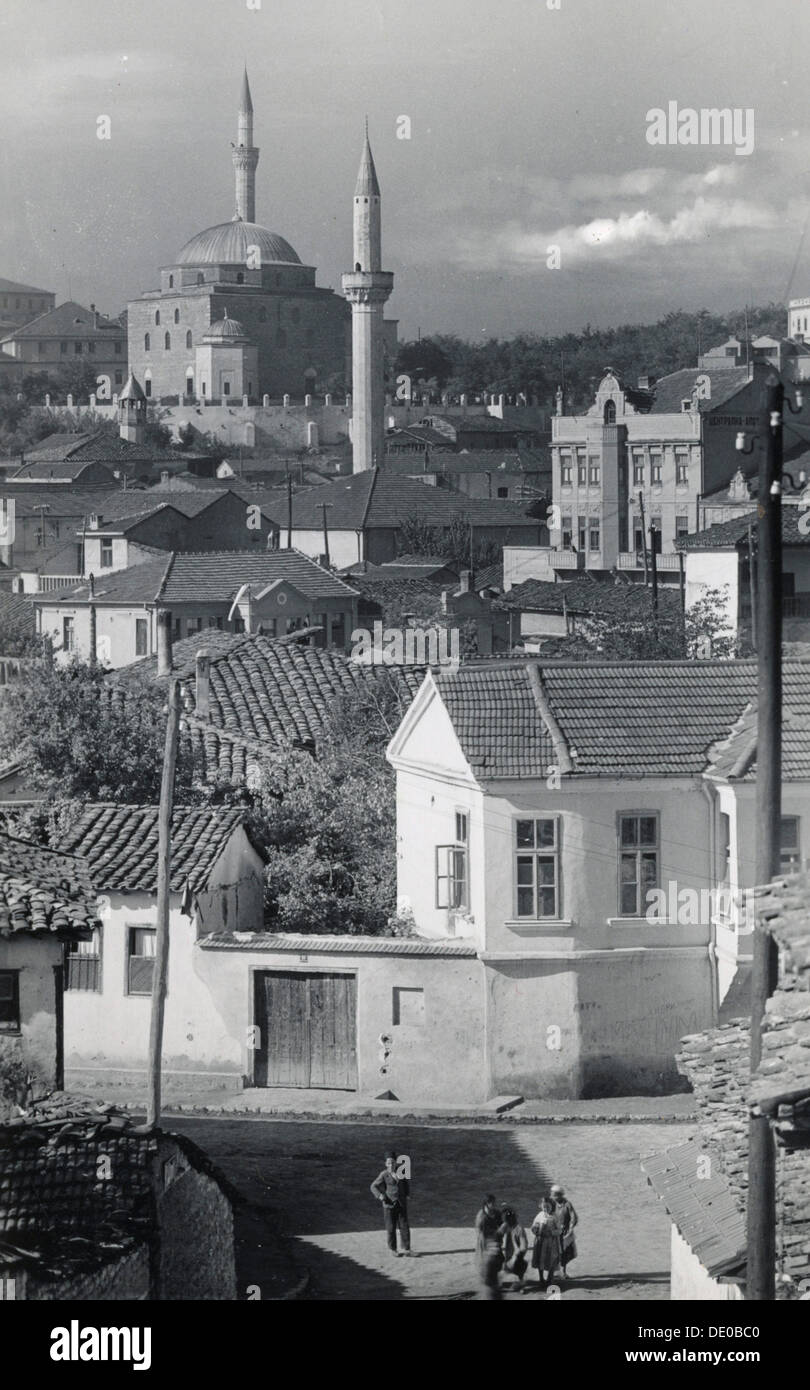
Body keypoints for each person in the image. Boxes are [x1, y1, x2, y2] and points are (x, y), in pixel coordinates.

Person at [370, 1151, 412, 1256]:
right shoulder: (383, 1174)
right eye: (388, 1163)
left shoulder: (401, 1172)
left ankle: (407, 1249)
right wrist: (380, 1196)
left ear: (396, 1163)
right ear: (385, 1164)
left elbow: (405, 1183)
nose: (391, 1165)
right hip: (389, 1204)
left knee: (404, 1225)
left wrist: (407, 1194)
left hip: (401, 1203)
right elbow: (373, 1186)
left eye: (393, 1162)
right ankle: (393, 1249)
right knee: (391, 1227)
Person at [474, 1194, 503, 1298]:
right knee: (486, 1262)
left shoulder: (497, 1213)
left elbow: (501, 1224)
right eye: (492, 1203)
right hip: (485, 1242)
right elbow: (480, 1232)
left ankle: (493, 1280)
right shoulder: (481, 1216)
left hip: (495, 1241)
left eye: (494, 1202)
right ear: (486, 1203)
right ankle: (487, 1281)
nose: (494, 1205)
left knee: (497, 1261)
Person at [531, 1196, 562, 1289]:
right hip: (540, 1241)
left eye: (548, 1207)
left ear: (552, 1206)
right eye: (544, 1207)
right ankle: (541, 1278)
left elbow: (559, 1230)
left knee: (551, 1259)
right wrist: (535, 1229)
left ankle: (550, 1278)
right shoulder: (540, 1215)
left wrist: (552, 1232)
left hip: (551, 1242)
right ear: (541, 1207)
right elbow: (533, 1226)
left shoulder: (555, 1217)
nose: (546, 1209)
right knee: (540, 1259)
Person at [550, 1184, 578, 1278]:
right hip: (555, 1233)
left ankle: (564, 1272)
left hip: (565, 1233)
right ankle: (554, 1272)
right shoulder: (552, 1204)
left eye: (554, 1195)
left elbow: (573, 1217)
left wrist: (570, 1227)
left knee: (565, 1252)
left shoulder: (567, 1204)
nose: (552, 1196)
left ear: (560, 1195)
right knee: (554, 1252)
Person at [499, 1205, 528, 1288]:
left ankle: (521, 1282)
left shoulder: (519, 1229)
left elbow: (523, 1244)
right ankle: (498, 1281)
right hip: (509, 1251)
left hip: (517, 1253)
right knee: (501, 1263)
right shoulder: (506, 1225)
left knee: (518, 1266)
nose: (507, 1221)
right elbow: (499, 1233)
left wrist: (518, 1254)